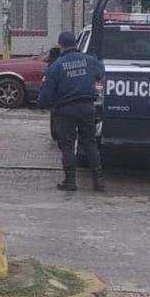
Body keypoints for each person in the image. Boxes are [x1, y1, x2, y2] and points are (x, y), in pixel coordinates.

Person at [37, 31, 105, 192]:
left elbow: (47, 92)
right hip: (87, 107)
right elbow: (100, 73)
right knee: (89, 142)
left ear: (61, 46)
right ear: (75, 44)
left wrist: (42, 105)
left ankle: (70, 181)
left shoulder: (56, 66)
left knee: (67, 145)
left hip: (65, 109)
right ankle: (99, 182)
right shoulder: (90, 61)